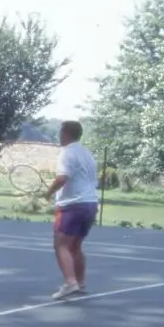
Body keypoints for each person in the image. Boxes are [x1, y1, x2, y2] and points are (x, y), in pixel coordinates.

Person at [44, 120, 100, 300]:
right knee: (75, 246)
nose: (59, 135)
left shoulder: (67, 153)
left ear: (66, 133)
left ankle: (70, 283)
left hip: (72, 206)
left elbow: (62, 178)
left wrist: (48, 193)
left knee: (60, 244)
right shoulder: (87, 153)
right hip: (90, 205)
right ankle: (80, 283)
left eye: (60, 131)